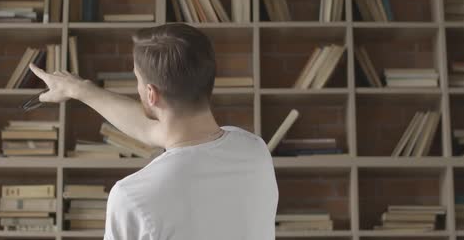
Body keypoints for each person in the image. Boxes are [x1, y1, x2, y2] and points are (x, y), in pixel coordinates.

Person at [29, 23, 278, 240]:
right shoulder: (254, 150)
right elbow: (154, 130)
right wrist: (79, 89)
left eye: (137, 78)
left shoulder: (132, 197)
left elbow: (159, 132)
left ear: (150, 93)